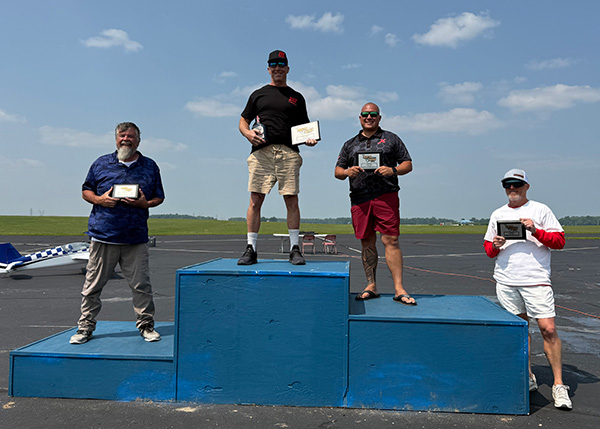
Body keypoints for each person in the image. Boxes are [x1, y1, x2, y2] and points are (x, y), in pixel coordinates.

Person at [69, 122, 165, 345]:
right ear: (115, 139)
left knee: (141, 286)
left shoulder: (150, 166)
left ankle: (146, 326)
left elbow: (159, 197)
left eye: (131, 136)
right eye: (122, 135)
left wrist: (144, 203)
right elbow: (86, 190)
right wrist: (100, 200)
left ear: (138, 141)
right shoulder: (101, 163)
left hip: (135, 238)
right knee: (92, 287)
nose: (126, 139)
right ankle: (85, 327)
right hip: (104, 236)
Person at [484, 168, 572, 410]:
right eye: (507, 185)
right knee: (521, 330)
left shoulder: (541, 210)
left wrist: (535, 230)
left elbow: (560, 242)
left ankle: (558, 384)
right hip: (506, 279)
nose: (512, 189)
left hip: (536, 279)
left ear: (526, 186)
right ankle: (529, 376)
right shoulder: (498, 213)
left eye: (516, 184)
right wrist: (496, 244)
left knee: (548, 328)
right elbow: (489, 250)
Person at [237, 50, 318, 266]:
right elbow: (243, 121)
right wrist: (247, 133)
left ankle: (294, 248)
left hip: (289, 153)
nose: (277, 67)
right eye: (273, 64)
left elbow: (305, 128)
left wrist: (309, 139)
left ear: (288, 68)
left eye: (281, 64)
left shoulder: (297, 97)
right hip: (261, 153)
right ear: (268, 68)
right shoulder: (257, 94)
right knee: (255, 200)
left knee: (291, 199)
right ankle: (251, 248)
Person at [335, 102, 415, 305]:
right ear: (359, 118)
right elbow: (337, 171)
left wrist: (393, 170)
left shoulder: (391, 139)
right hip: (360, 197)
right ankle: (371, 285)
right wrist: (347, 172)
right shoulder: (350, 144)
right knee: (367, 242)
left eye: (373, 114)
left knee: (391, 241)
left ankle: (399, 288)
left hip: (385, 195)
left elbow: (408, 163)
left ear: (379, 117)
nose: (369, 117)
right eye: (365, 114)